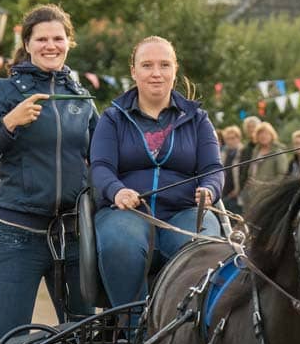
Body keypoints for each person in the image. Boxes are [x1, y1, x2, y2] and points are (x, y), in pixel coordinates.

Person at [0, 4, 96, 341]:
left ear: (69, 42)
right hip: (18, 231)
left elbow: (103, 162)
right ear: (27, 43)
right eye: (42, 39)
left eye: (58, 38)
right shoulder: (2, 92)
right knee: (10, 336)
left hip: (71, 234)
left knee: (82, 333)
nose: (50, 45)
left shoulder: (81, 99)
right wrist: (10, 122)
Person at [91, 35, 222, 308]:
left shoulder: (198, 119)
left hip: (185, 213)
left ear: (175, 71)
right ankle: (132, 323)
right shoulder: (112, 118)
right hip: (125, 212)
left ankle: (184, 324)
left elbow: (213, 169)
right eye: (147, 65)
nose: (156, 73)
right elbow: (100, 167)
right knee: (120, 242)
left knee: (203, 247)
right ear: (134, 71)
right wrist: (116, 191)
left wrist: (210, 190)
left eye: (164, 65)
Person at [241, 121, 288, 210]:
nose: (263, 136)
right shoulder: (256, 151)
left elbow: (282, 176)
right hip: (252, 193)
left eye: (266, 133)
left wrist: (266, 185)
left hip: (269, 194)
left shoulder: (278, 152)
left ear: (272, 135)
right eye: (260, 133)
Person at [218, 125, 244, 212]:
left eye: (233, 138)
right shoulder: (224, 153)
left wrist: (237, 190)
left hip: (238, 194)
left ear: (238, 138)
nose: (230, 141)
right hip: (224, 191)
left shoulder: (243, 152)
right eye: (228, 138)